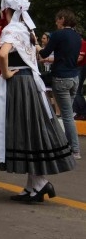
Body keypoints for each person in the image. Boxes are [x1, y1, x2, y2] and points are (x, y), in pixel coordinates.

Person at [0, 0, 75, 203]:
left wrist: (6, 72)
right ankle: (33, 186)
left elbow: (3, 54)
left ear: (5, 9)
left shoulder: (11, 29)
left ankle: (39, 184)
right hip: (31, 83)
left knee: (24, 131)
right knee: (31, 131)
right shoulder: (28, 29)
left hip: (18, 83)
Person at [37, 9, 82, 160]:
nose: (56, 23)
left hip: (61, 78)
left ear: (62, 19)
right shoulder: (77, 36)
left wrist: (36, 45)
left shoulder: (58, 35)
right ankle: (68, 145)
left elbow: (44, 53)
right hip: (74, 77)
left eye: (57, 20)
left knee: (67, 116)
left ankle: (74, 150)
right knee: (68, 115)